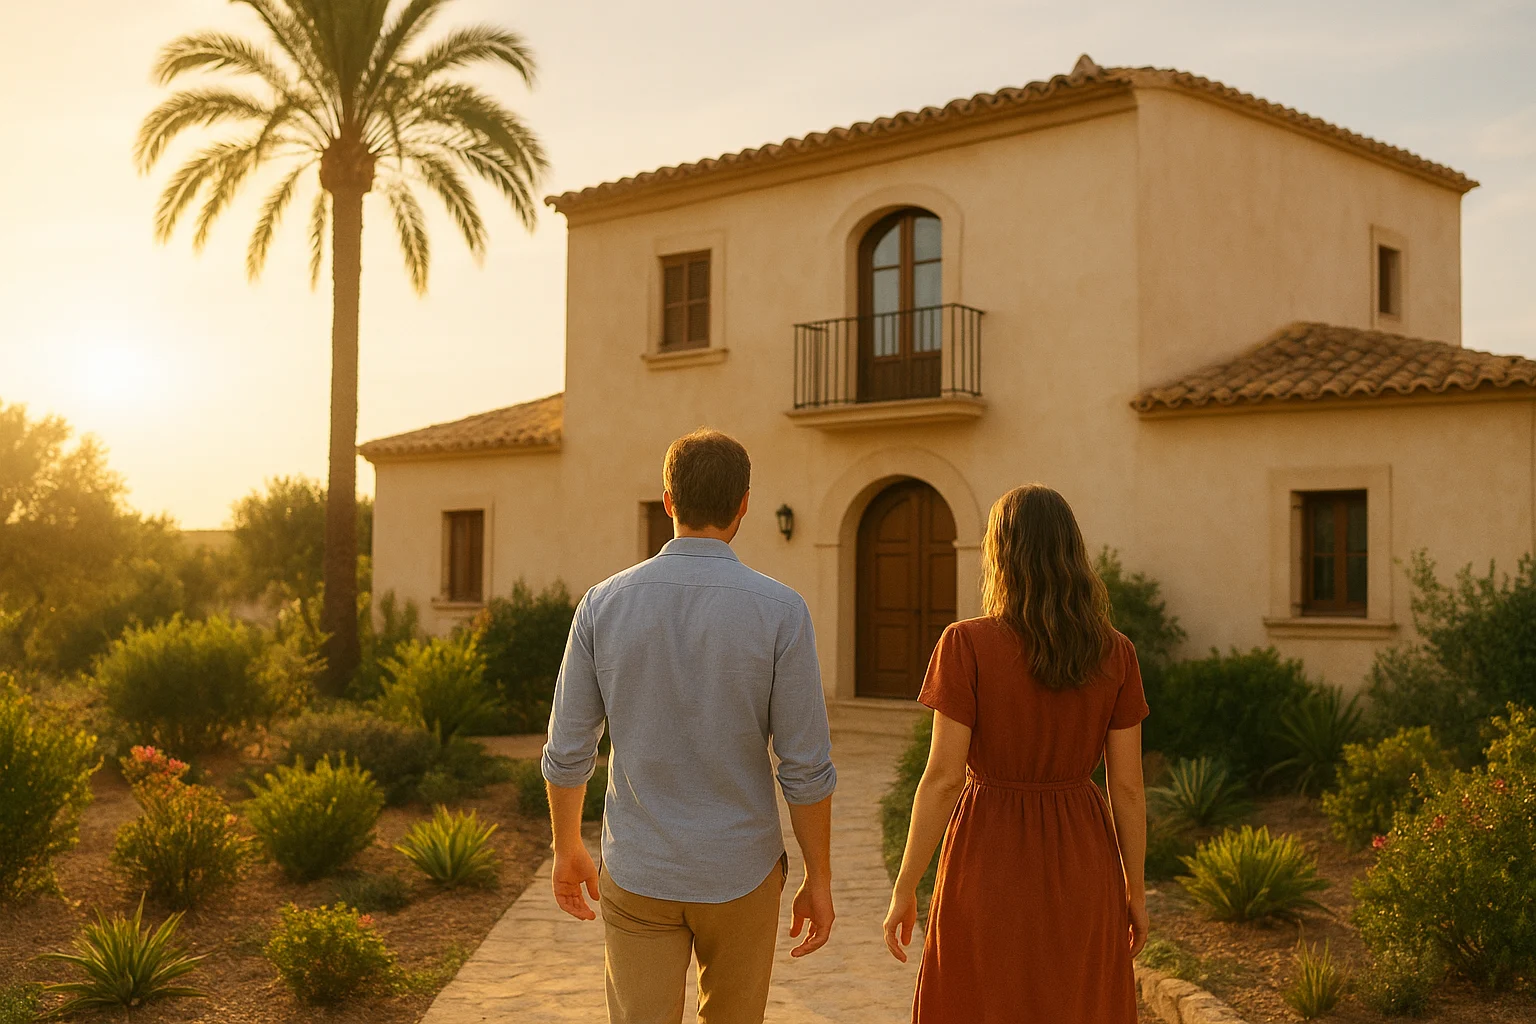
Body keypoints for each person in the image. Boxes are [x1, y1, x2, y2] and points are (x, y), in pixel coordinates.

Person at [542, 427, 838, 1024]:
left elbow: (568, 749)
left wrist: (566, 845)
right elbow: (805, 767)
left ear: (668, 500)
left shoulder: (602, 604)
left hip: (639, 869)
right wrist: (818, 876)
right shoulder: (782, 611)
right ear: (745, 505)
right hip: (743, 871)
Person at [881, 483, 1149, 1023]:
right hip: (1084, 858)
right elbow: (1128, 788)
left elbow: (941, 779)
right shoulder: (1115, 652)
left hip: (988, 852)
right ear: (1072, 554)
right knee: (1074, 1002)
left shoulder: (966, 645)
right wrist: (1135, 893)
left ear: (999, 555)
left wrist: (905, 888)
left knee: (984, 1000)